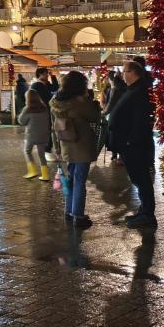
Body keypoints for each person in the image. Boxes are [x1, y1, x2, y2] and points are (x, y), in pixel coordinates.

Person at [107, 60, 156, 229]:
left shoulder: (140, 91)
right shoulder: (134, 89)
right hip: (129, 144)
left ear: (133, 73)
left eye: (124, 71)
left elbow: (140, 120)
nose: (122, 74)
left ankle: (148, 214)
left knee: (142, 179)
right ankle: (144, 211)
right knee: (139, 179)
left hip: (134, 145)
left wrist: (131, 141)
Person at [50, 70, 101, 228]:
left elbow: (53, 127)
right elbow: (95, 116)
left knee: (70, 180)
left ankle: (69, 211)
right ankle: (78, 215)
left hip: (65, 145)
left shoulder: (56, 102)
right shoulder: (80, 102)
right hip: (81, 146)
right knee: (79, 181)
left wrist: (56, 148)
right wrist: (93, 102)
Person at [18, 89, 51, 181]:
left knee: (27, 151)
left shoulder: (28, 109)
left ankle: (32, 171)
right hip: (43, 135)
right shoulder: (44, 108)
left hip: (31, 135)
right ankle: (45, 175)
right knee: (41, 155)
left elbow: (22, 121)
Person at [102, 70, 128, 166]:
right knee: (121, 137)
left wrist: (103, 113)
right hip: (124, 117)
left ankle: (118, 156)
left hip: (115, 117)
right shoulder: (125, 88)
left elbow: (110, 104)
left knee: (114, 137)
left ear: (110, 79)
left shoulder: (114, 89)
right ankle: (120, 156)